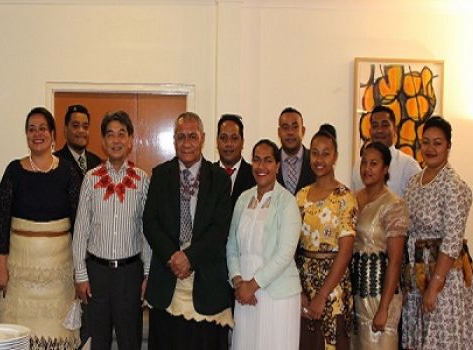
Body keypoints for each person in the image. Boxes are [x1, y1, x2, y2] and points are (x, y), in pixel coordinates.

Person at [143, 112, 233, 350]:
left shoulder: (219, 179)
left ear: (202, 139)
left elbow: (219, 228)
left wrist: (190, 258)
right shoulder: (161, 175)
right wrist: (173, 255)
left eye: (192, 136)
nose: (187, 143)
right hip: (167, 278)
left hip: (206, 281)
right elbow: (150, 222)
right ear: (174, 140)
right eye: (181, 137)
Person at [0, 107, 81, 350]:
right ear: (26, 135)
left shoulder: (68, 172)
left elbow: (79, 223)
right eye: (31, 129)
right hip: (20, 272)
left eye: (43, 128)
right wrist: (1, 265)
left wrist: (80, 270)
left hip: (59, 273)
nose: (37, 134)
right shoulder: (14, 171)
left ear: (53, 134)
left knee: (55, 336)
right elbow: (1, 221)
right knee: (21, 336)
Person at [72, 111, 151, 350]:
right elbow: (81, 231)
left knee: (130, 342)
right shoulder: (90, 178)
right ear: (103, 142)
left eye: (122, 134)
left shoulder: (142, 179)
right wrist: (81, 275)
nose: (116, 140)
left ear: (130, 141)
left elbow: (147, 232)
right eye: (110, 135)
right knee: (96, 342)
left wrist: (148, 274)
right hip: (97, 275)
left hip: (130, 275)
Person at [401, 116, 473, 349]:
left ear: (448, 146)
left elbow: (453, 240)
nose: (431, 148)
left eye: (437, 143)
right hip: (417, 274)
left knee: (440, 339)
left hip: (444, 278)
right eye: (426, 142)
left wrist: (435, 285)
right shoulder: (414, 182)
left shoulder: (453, 185)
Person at [226, 139, 302, 350]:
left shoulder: (287, 202)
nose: (261, 166)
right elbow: (231, 244)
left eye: (268, 160)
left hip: (276, 293)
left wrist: (253, 285)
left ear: (278, 165)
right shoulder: (243, 198)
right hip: (245, 294)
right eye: (257, 160)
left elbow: (285, 254)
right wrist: (238, 281)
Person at [296, 124, 357, 350]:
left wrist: (322, 295)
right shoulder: (301, 196)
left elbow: (346, 251)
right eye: (314, 152)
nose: (319, 159)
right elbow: (291, 246)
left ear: (335, 157)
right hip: (303, 285)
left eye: (326, 153)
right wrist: (300, 291)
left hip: (334, 289)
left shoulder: (345, 198)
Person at [350, 141, 408, 349]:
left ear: (385, 169)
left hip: (381, 297)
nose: (366, 169)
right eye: (364, 163)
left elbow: (395, 261)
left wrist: (383, 308)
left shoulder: (394, 205)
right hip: (356, 295)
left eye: (374, 164)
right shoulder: (352, 199)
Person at [351, 106, 421, 197]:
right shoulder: (358, 165)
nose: (379, 130)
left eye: (385, 125)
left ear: (395, 129)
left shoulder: (408, 166)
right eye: (375, 126)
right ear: (370, 131)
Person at [54, 104, 102, 182]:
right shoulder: (55, 162)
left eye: (85, 127)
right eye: (75, 126)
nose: (81, 131)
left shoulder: (97, 162)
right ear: (65, 129)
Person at [215, 113, 255, 205]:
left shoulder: (254, 175)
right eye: (223, 138)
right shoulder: (206, 175)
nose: (228, 144)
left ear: (242, 142)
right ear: (217, 141)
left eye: (234, 138)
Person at [276, 107, 315, 194]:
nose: (290, 132)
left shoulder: (315, 161)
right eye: (285, 127)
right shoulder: (271, 162)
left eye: (295, 127)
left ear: (303, 131)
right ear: (279, 132)